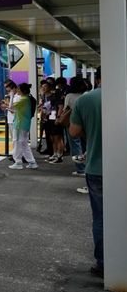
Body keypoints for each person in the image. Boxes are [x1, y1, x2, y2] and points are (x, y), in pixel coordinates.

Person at [68, 68, 103, 278]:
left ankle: (103, 262)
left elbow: (74, 132)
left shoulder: (85, 100)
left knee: (100, 217)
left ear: (97, 79)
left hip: (96, 167)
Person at [57, 76, 87, 177]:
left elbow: (66, 109)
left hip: (72, 123)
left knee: (75, 145)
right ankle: (86, 166)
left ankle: (80, 168)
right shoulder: (86, 95)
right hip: (85, 122)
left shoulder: (69, 96)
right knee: (85, 144)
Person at [7, 83, 38, 170]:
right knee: (24, 143)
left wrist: (12, 96)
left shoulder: (23, 99)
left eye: (18, 89)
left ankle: (18, 162)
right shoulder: (27, 98)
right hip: (25, 124)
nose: (17, 90)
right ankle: (32, 162)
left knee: (16, 142)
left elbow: (11, 106)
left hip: (19, 125)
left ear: (23, 90)